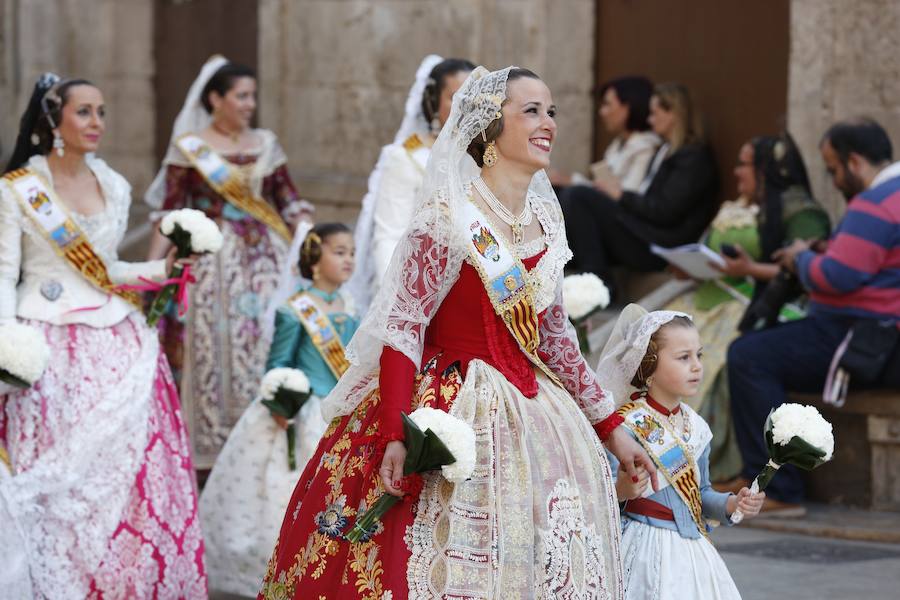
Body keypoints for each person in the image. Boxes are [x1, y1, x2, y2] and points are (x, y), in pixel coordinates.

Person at [258, 66, 659, 600]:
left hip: (536, 412)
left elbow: (556, 337)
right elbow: (403, 329)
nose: (548, 123)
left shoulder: (545, 218)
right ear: (491, 128)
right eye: (531, 111)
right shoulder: (447, 218)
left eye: (551, 111)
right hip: (447, 407)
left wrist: (610, 425)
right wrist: (395, 432)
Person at [0, 73, 206, 598]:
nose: (97, 123)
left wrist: (164, 272)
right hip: (44, 342)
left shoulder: (112, 183)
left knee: (119, 477)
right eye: (85, 112)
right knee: (53, 477)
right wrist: (5, 341)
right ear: (55, 121)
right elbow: (4, 272)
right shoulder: (19, 187)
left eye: (103, 112)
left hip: (116, 339)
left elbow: (108, 269)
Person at [724, 118, 900, 514]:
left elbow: (837, 275)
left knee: (748, 357)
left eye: (834, 169)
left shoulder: (876, 202)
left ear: (854, 162)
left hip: (865, 338)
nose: (834, 180)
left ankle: (778, 487)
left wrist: (800, 257)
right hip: (875, 334)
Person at [145, 56, 312, 469]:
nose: (249, 104)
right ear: (215, 99)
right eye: (241, 96)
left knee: (267, 341)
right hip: (212, 268)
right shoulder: (192, 150)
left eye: (252, 96)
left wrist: (306, 236)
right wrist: (151, 272)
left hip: (267, 262)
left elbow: (287, 199)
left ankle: (265, 442)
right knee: (215, 352)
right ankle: (213, 450)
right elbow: (170, 212)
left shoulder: (265, 144)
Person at [201, 222, 359, 596]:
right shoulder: (295, 310)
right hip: (301, 414)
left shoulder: (350, 307)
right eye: (339, 252)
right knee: (284, 491)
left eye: (352, 252)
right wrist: (282, 397)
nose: (349, 259)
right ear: (314, 260)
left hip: (338, 409)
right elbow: (279, 364)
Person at [664, 133, 831, 481]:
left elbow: (809, 272)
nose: (737, 172)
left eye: (745, 164)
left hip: (770, 309)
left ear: (768, 170)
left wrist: (748, 271)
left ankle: (703, 465)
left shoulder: (802, 213)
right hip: (714, 301)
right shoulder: (740, 207)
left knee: (718, 360)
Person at [596, 305, 764, 599]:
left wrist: (732, 504)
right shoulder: (624, 426)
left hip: (692, 554)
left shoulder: (697, 427)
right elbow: (597, 498)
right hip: (642, 548)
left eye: (698, 355)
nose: (697, 366)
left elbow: (700, 495)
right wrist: (621, 491)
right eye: (683, 358)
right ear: (649, 365)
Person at [561, 83, 719, 300]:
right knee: (568, 196)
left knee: (579, 196)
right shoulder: (666, 151)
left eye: (655, 113)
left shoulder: (693, 158)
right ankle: (577, 272)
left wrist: (621, 196)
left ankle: (598, 283)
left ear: (673, 114)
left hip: (660, 247)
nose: (650, 120)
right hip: (644, 232)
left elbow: (665, 212)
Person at [347, 56, 475, 313]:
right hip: (420, 288)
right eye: (455, 97)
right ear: (432, 102)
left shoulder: (486, 157)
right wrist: (397, 304)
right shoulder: (406, 158)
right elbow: (389, 236)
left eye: (472, 97)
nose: (465, 105)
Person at [550, 76, 659, 192]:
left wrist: (573, 182)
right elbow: (602, 188)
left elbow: (627, 194)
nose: (602, 112)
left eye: (607, 104)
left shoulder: (646, 147)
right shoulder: (618, 144)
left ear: (626, 108)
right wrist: (570, 180)